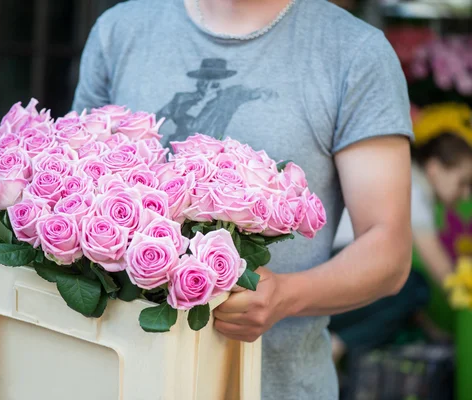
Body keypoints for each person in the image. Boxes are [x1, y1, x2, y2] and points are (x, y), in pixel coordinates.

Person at [73, 0, 413, 398]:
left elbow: (388, 249)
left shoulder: (353, 52)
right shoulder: (119, 30)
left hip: (273, 384)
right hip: (115, 380)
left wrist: (285, 296)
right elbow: (75, 192)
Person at [330, 132, 472, 362]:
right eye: (463, 182)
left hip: (336, 269)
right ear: (434, 168)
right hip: (338, 269)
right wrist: (467, 293)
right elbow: (447, 277)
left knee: (405, 287)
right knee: (413, 285)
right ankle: (338, 344)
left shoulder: (404, 179)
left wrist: (431, 329)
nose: (466, 194)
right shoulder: (413, 188)